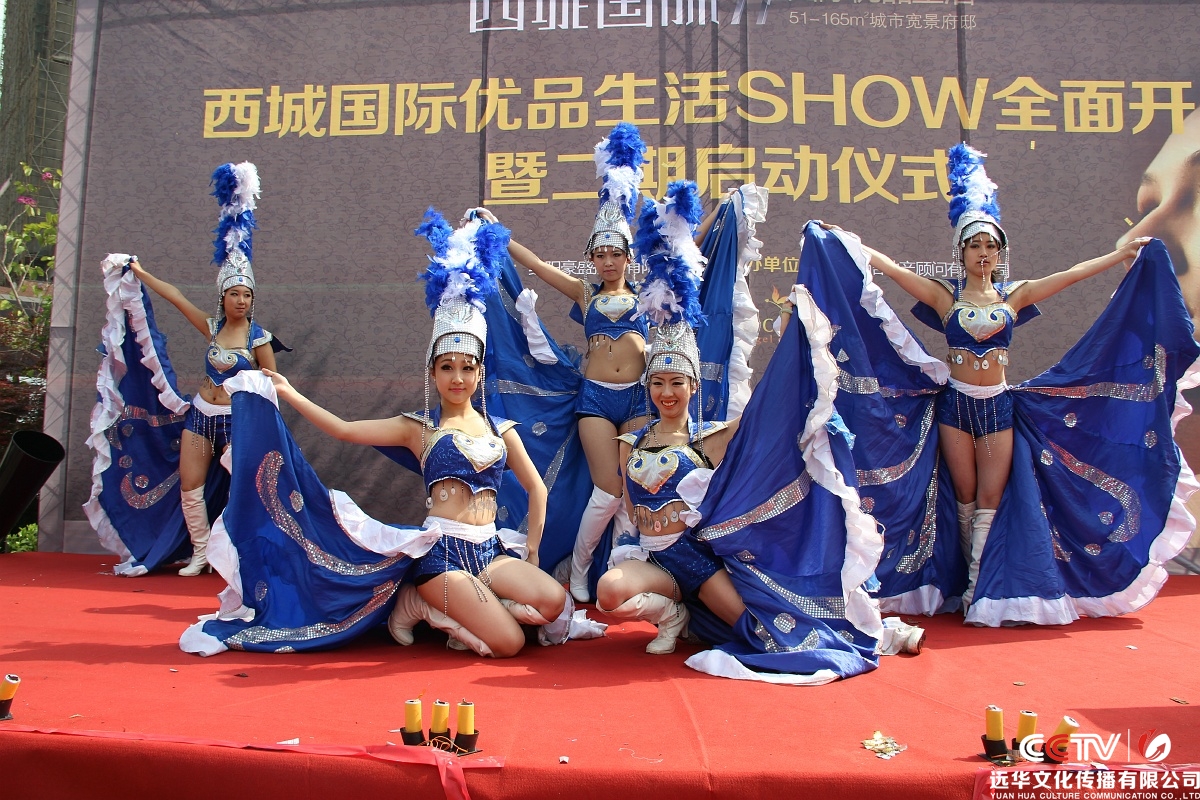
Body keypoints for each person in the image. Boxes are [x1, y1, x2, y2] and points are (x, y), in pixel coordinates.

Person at [791, 144, 1199, 626]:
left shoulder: (1015, 296)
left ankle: (979, 588)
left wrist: (1119, 255)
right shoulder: (945, 298)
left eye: (990, 246)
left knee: (990, 499)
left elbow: (1069, 276)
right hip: (955, 407)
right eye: (974, 246)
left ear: (1000, 253)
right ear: (961, 252)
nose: (983, 253)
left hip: (998, 407)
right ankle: (967, 581)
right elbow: (896, 272)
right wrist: (848, 242)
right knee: (964, 497)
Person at [595, 181, 923, 682]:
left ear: (693, 385)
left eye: (677, 382)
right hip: (653, 559)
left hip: (700, 560)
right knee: (609, 592)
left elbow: (772, 415)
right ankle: (676, 615)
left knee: (765, 632)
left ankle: (879, 632)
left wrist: (798, 334)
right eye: (658, 382)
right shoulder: (629, 443)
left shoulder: (711, 437)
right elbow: (628, 509)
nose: (667, 392)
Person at [260, 210, 580, 657]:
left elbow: (537, 489)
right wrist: (291, 393)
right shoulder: (419, 427)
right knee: (509, 644)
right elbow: (345, 430)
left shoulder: (500, 429)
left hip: (490, 549)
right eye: (447, 367)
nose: (457, 377)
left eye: (467, 368)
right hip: (442, 555)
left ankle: (473, 610)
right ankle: (420, 602)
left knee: (552, 601)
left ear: (480, 373)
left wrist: (532, 552)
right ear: (433, 372)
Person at [492, 123, 724, 602]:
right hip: (596, 398)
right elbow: (538, 266)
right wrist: (499, 234)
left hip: (639, 398)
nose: (608, 261)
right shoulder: (585, 292)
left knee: (632, 489)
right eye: (599, 255)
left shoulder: (649, 291)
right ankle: (579, 568)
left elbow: (690, 247)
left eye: (615, 253)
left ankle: (623, 565)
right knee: (608, 489)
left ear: (627, 256)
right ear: (592, 259)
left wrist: (722, 210)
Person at [85, 163, 285, 576]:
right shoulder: (211, 327)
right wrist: (140, 273)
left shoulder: (260, 339)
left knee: (246, 488)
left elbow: (275, 386)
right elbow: (176, 297)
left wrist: (265, 427)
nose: (241, 301)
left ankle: (240, 555)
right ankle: (200, 553)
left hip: (239, 421)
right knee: (190, 485)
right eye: (234, 294)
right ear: (223, 297)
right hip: (201, 415)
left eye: (247, 295)